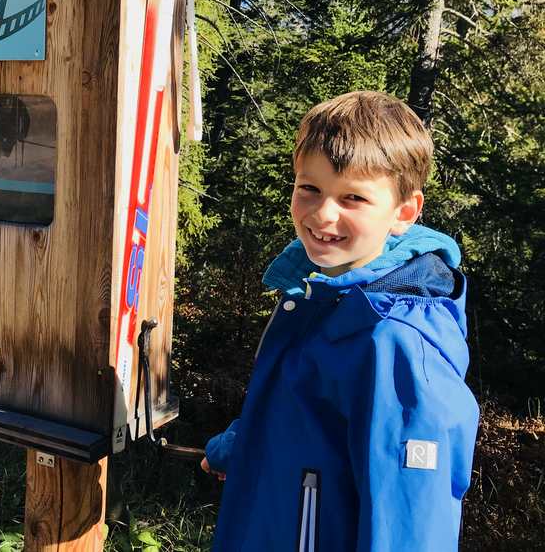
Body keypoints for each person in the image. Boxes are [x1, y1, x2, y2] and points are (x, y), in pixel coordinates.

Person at [200, 91, 479, 551]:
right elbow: (303, 410)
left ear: (403, 212)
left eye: (353, 197)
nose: (323, 213)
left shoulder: (394, 340)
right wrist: (236, 446)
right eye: (309, 188)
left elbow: (412, 520)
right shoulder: (320, 295)